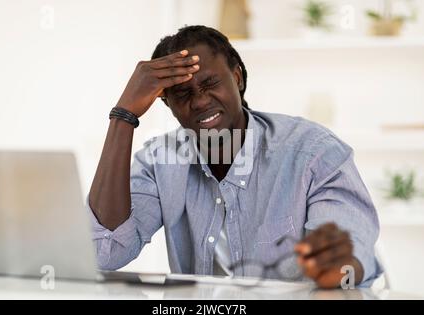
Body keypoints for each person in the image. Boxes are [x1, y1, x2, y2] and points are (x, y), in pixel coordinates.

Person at [87, 25, 382, 288]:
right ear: (167, 104)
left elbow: (352, 256)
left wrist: (338, 266)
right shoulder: (159, 161)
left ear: (237, 78)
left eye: (210, 84)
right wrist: (123, 116)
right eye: (182, 94)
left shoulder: (313, 153)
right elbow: (107, 251)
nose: (200, 101)